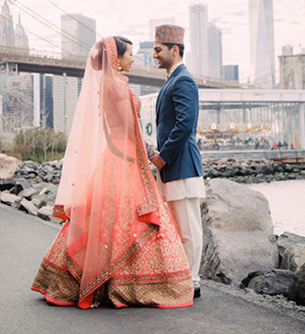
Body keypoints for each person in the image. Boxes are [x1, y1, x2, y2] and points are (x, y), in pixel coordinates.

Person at [31, 36, 193, 309]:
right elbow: (131, 128)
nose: (134, 59)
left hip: (117, 153)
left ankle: (100, 278)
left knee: (107, 217)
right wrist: (153, 155)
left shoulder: (110, 84)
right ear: (116, 58)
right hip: (125, 155)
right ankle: (122, 283)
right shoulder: (116, 86)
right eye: (130, 54)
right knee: (129, 218)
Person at [149, 24, 206, 299]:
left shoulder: (183, 79)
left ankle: (193, 280)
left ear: (174, 49)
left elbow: (184, 126)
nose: (154, 55)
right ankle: (182, 275)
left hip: (182, 165)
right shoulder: (173, 78)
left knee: (189, 227)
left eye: (158, 50)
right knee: (178, 225)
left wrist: (161, 157)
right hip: (172, 166)